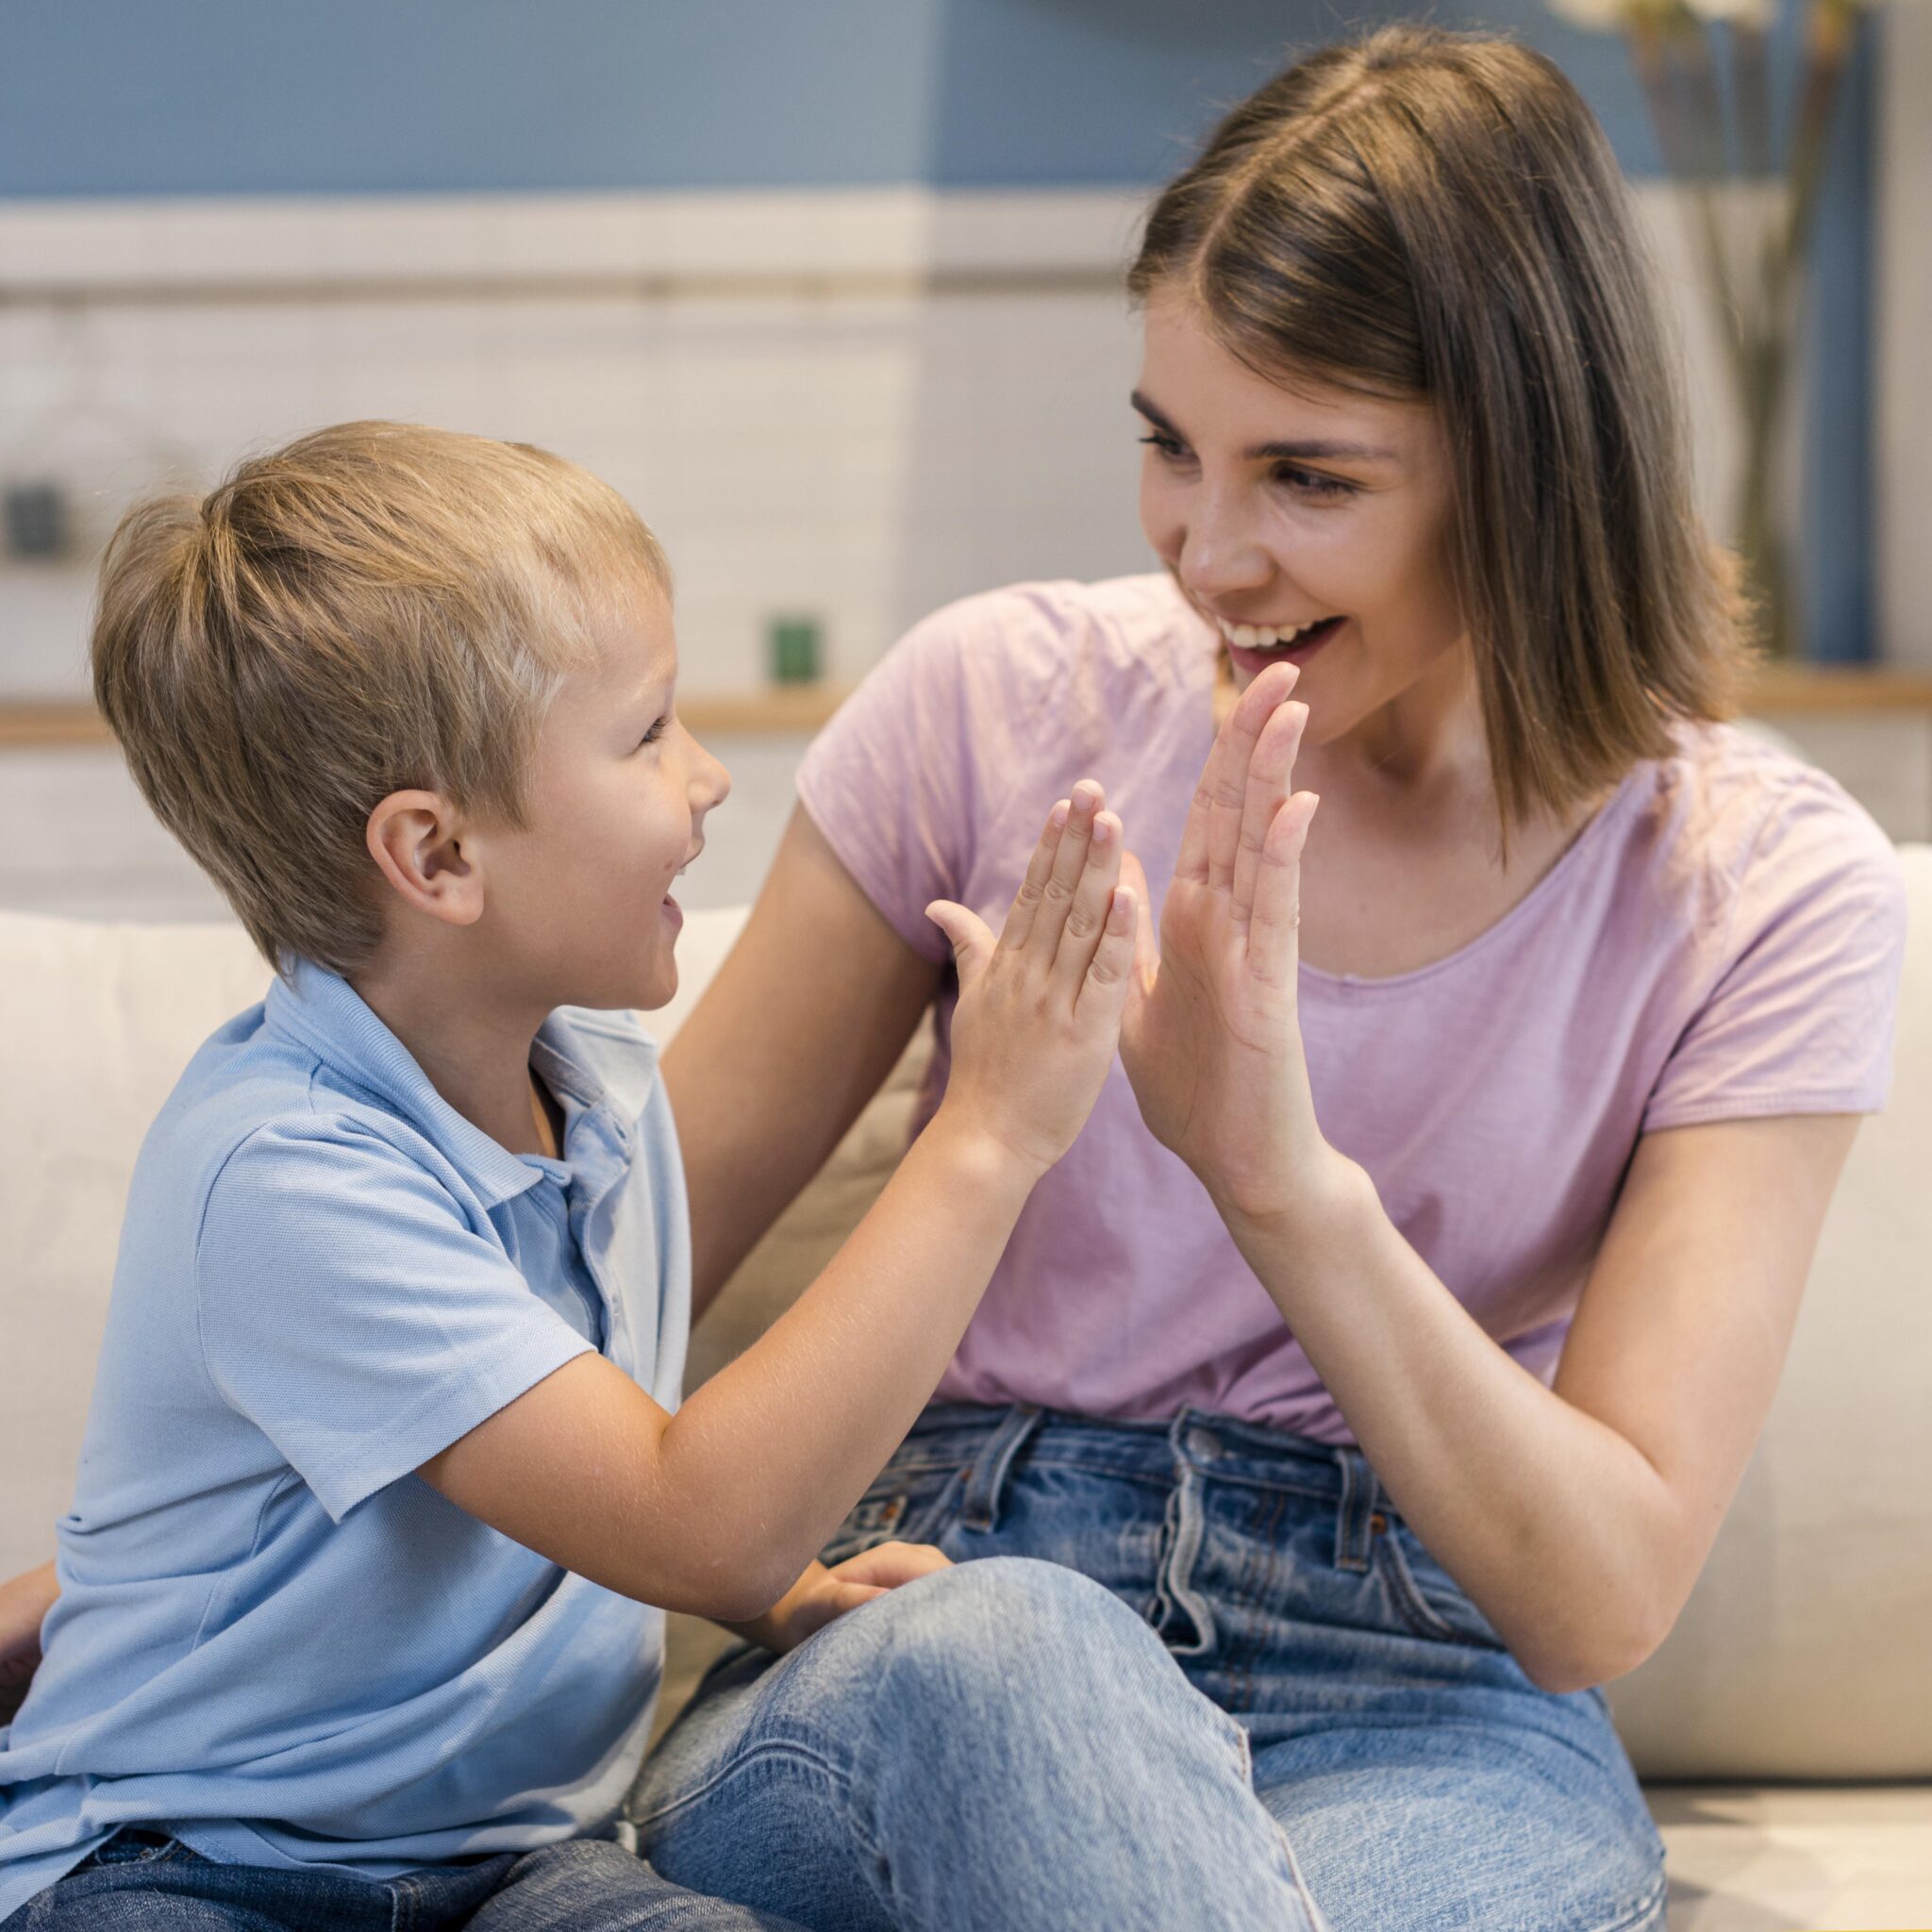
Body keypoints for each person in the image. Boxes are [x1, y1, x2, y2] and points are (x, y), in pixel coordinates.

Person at [627, 25, 1907, 1932]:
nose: (1205, 550)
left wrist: (1276, 1176)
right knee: (1022, 1675)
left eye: (1305, 475)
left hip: (1424, 1694)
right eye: (1166, 443)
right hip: (950, 1601)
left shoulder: (1759, 889)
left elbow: (1598, 1589)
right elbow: (579, 1292)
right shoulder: (992, 707)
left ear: (1531, 469)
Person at [0, 423, 1324, 1930]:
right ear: (435, 857)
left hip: (515, 1862)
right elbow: (682, 1509)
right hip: (198, 1863)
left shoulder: (606, 1091)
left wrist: (775, 1596)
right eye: (646, 735)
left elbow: (589, 1483)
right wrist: (992, 1132)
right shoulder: (284, 1174)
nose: (705, 782)